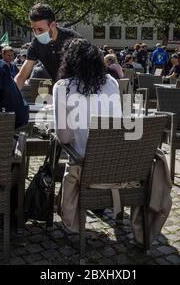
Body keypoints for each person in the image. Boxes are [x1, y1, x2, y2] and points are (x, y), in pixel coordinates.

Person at [53, 38, 122, 232]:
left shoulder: (63, 86)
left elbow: (65, 139)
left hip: (85, 168)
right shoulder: (112, 83)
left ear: (69, 61)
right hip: (116, 167)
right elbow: (118, 123)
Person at [15, 4, 81, 89]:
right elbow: (22, 75)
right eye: (33, 29)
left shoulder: (73, 38)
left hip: (78, 89)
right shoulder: (36, 44)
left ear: (52, 25)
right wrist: (10, 96)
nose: (37, 34)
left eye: (40, 30)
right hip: (58, 88)